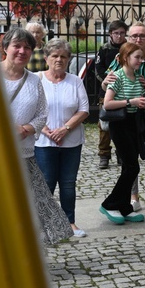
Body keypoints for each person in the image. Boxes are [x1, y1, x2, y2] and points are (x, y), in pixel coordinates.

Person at [0, 27, 73, 244]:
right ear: (5, 48)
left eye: (27, 47)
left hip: (25, 154)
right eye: (17, 46)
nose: (22, 51)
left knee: (32, 204)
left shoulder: (33, 80)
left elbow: (43, 113)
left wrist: (27, 129)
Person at [104, 22, 145, 215]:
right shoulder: (119, 59)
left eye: (142, 36)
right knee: (130, 161)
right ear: (128, 38)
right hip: (126, 118)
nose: (138, 39)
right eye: (134, 36)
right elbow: (107, 86)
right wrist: (105, 84)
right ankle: (133, 198)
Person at [34, 38, 90, 238]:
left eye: (63, 56)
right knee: (46, 182)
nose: (59, 59)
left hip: (71, 141)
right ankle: (44, 224)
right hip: (43, 141)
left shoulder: (75, 81)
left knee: (68, 183)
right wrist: (47, 130)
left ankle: (70, 222)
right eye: (55, 56)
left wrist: (65, 129)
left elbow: (84, 110)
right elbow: (30, 110)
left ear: (69, 59)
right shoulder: (36, 79)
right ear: (46, 58)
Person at [100, 43, 145, 224]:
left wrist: (143, 99)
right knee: (133, 166)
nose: (141, 60)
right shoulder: (117, 76)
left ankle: (124, 207)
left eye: (142, 57)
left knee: (129, 166)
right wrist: (131, 101)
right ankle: (110, 204)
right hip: (120, 125)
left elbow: (139, 99)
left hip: (134, 124)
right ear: (126, 58)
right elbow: (107, 104)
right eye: (137, 57)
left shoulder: (138, 77)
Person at [94, 20, 128, 169]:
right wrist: (106, 80)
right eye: (116, 33)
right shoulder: (104, 49)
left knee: (123, 125)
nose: (119, 36)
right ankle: (104, 154)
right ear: (110, 34)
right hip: (106, 91)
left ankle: (122, 153)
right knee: (105, 126)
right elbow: (98, 69)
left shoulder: (129, 48)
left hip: (125, 91)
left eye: (121, 33)